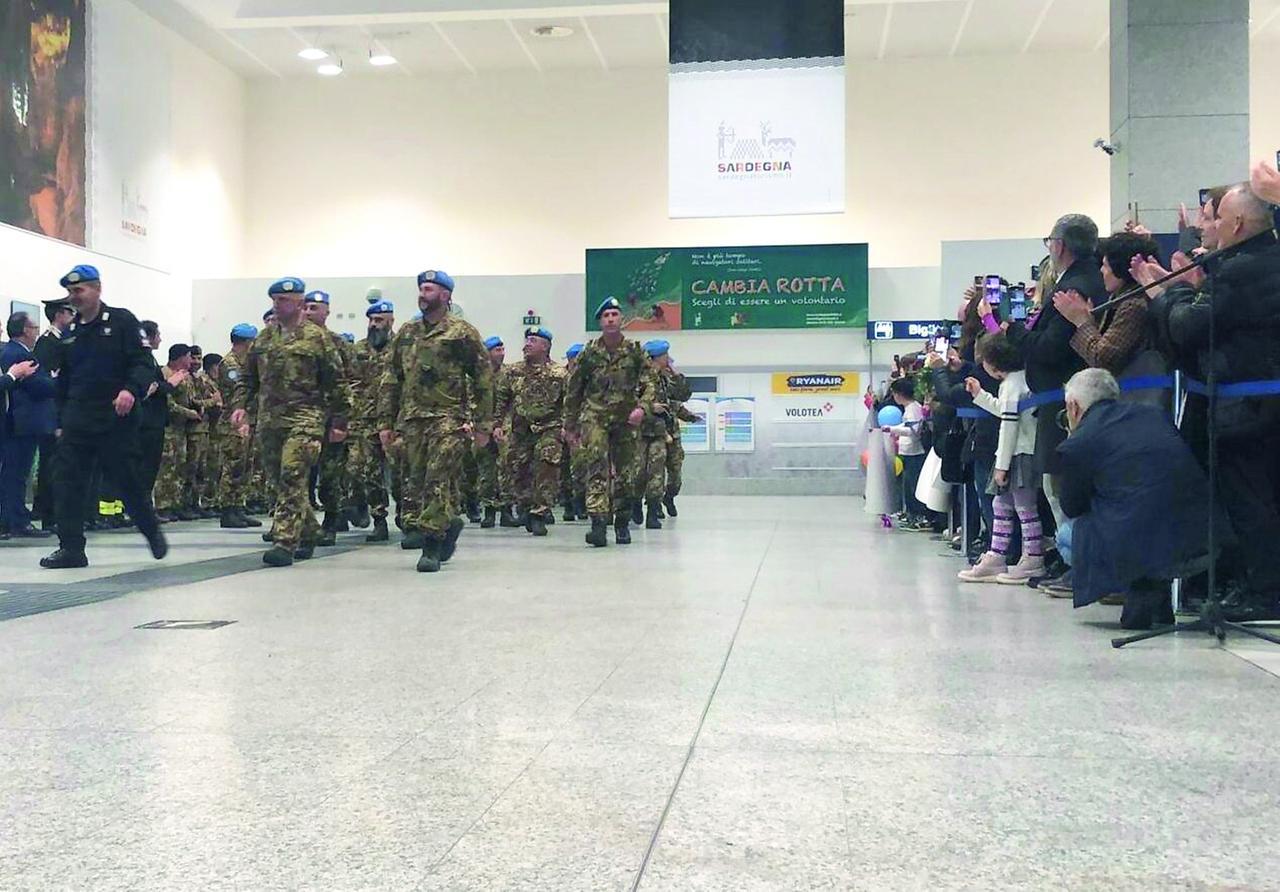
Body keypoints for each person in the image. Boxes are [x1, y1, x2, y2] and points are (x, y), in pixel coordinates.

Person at [1056, 369, 1213, 630]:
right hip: (1196, 537)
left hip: (1134, 540)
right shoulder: (1155, 415)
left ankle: (1137, 585)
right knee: (1142, 517)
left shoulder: (1079, 443)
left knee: (1065, 536)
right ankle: (1154, 593)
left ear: (1073, 406)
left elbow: (1072, 506)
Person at [40, 264, 167, 569]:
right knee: (67, 482)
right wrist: (59, 420)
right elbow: (64, 381)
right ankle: (71, 548)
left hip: (115, 419)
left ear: (97, 288)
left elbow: (143, 363)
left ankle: (151, 530)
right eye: (71, 292)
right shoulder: (71, 332)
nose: (75, 297)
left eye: (79, 290)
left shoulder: (122, 321)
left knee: (125, 481)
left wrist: (130, 390)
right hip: (78, 420)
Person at [378, 269, 493, 573]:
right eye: (420, 288)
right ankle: (448, 524)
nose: (422, 294)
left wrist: (483, 424)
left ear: (445, 295)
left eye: (429, 289)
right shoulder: (407, 333)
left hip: (449, 418)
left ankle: (430, 545)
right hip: (413, 419)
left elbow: (483, 378)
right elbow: (391, 379)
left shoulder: (462, 332)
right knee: (415, 481)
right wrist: (385, 423)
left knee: (436, 478)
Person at [230, 277, 349, 567]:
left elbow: (336, 381)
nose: (277, 305)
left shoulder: (317, 338)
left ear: (299, 302)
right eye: (274, 300)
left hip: (306, 419)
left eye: (282, 300)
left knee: (292, 474)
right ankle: (309, 530)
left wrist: (340, 421)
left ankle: (285, 542)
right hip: (271, 421)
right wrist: (241, 407)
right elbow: (248, 378)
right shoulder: (265, 338)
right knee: (280, 481)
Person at [563, 297, 654, 547]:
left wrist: (642, 408)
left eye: (615, 314)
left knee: (626, 473)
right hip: (595, 417)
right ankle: (598, 524)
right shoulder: (589, 353)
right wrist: (569, 425)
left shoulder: (635, 350)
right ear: (600, 322)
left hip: (626, 419)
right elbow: (574, 390)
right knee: (597, 469)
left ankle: (622, 523)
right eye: (606, 315)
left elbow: (650, 383)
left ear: (621, 319)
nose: (611, 319)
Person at [958, 333, 1042, 583]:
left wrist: (1001, 466)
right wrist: (980, 395)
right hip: (1016, 452)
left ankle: (1033, 558)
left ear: (993, 364)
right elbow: (1004, 412)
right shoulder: (1019, 381)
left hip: (1019, 454)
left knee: (1025, 509)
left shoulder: (1013, 385)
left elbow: (1009, 427)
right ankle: (997, 555)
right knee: (1002, 505)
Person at [1053, 231, 1160, 377]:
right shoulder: (1121, 299)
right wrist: (1091, 323)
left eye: (1105, 265)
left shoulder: (1133, 306)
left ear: (1120, 269)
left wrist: (1081, 322)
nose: (1101, 271)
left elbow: (1103, 359)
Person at [303, 290, 356, 546]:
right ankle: (295, 524)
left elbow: (351, 381)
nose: (309, 312)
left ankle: (331, 521)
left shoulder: (337, 343)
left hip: (328, 421)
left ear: (327, 311)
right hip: (298, 421)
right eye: (307, 307)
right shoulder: (289, 340)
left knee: (330, 476)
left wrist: (341, 420)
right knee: (295, 475)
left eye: (315, 307)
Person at [504, 327, 566, 536]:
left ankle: (540, 512)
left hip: (550, 427)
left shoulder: (559, 374)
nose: (527, 344)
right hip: (521, 429)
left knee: (546, 465)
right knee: (519, 468)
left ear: (545, 346)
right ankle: (525, 507)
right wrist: (495, 425)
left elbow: (569, 403)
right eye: (527, 340)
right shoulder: (512, 372)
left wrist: (568, 427)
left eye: (533, 340)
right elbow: (502, 400)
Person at [1, 312, 54, 537]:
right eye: (33, 327)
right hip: (20, 423)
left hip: (23, 423)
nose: (36, 332)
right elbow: (37, 386)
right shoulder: (15, 354)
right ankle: (15, 520)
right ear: (25, 330)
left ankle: (14, 518)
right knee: (15, 474)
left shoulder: (17, 352)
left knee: (17, 473)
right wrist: (58, 381)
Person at [349, 301, 398, 542]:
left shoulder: (403, 348)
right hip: (365, 420)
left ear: (391, 321)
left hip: (397, 421)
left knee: (402, 474)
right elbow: (349, 383)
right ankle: (379, 520)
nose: (373, 325)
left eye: (379, 320)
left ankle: (408, 517)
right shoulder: (359, 350)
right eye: (371, 320)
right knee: (367, 472)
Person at [30, 297, 73, 528]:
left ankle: (55, 513)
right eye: (68, 311)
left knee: (59, 467)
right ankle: (49, 515)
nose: (72, 316)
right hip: (52, 414)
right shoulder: (47, 344)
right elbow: (50, 385)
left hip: (62, 413)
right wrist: (57, 420)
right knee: (51, 467)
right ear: (59, 314)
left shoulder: (63, 341)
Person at [213, 324, 260, 529]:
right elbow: (236, 394)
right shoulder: (231, 364)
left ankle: (238, 507)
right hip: (234, 423)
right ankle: (227, 510)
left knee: (244, 466)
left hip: (247, 421)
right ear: (246, 342)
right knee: (232, 466)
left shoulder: (245, 364)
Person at [152, 345, 200, 522]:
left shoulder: (185, 376)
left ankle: (175, 504)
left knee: (180, 467)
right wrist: (190, 414)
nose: (191, 361)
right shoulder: (165, 374)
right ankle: (162, 506)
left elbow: (190, 399)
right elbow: (169, 404)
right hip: (168, 428)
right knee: (166, 469)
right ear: (179, 358)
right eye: (189, 357)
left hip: (181, 430)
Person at [478, 336, 516, 529]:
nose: (501, 353)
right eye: (496, 350)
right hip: (482, 426)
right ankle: (489, 511)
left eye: (502, 349)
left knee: (506, 468)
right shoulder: (478, 375)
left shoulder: (508, 374)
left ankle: (507, 510)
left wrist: (502, 425)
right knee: (487, 471)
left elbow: (512, 402)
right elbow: (471, 400)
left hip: (504, 426)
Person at [882, 377, 930, 531]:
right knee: (908, 486)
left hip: (915, 452)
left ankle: (919, 515)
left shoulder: (913, 409)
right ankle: (911, 513)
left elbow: (913, 430)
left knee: (913, 485)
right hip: (908, 452)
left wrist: (892, 429)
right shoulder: (909, 409)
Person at [560, 343, 587, 521]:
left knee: (581, 465)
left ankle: (581, 501)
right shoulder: (560, 377)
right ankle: (568, 503)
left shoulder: (589, 379)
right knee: (563, 468)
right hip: (560, 428)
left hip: (583, 428)